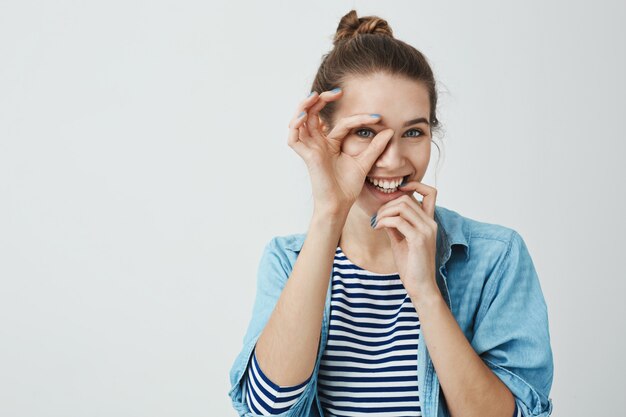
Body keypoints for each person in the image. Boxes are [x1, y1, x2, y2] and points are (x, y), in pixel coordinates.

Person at [228, 9, 554, 417]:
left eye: (413, 132)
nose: (393, 158)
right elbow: (268, 408)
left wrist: (426, 294)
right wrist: (329, 212)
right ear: (327, 135)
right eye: (366, 132)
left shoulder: (496, 257)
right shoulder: (287, 261)